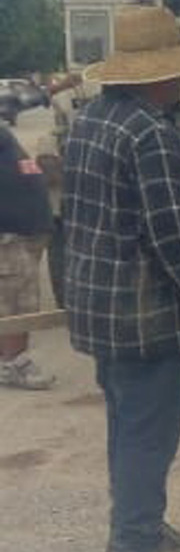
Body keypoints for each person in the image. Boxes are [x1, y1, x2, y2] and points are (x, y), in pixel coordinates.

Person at [62, 6, 180, 552]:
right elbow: (172, 236)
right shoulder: (150, 135)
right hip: (142, 313)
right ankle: (136, 544)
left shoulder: (91, 121)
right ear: (160, 75)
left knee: (126, 422)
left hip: (99, 309)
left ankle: (138, 521)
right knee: (149, 429)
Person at [0, 119, 55, 390]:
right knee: (15, 300)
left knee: (19, 296)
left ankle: (9, 360)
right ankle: (14, 363)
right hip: (8, 234)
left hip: (27, 230)